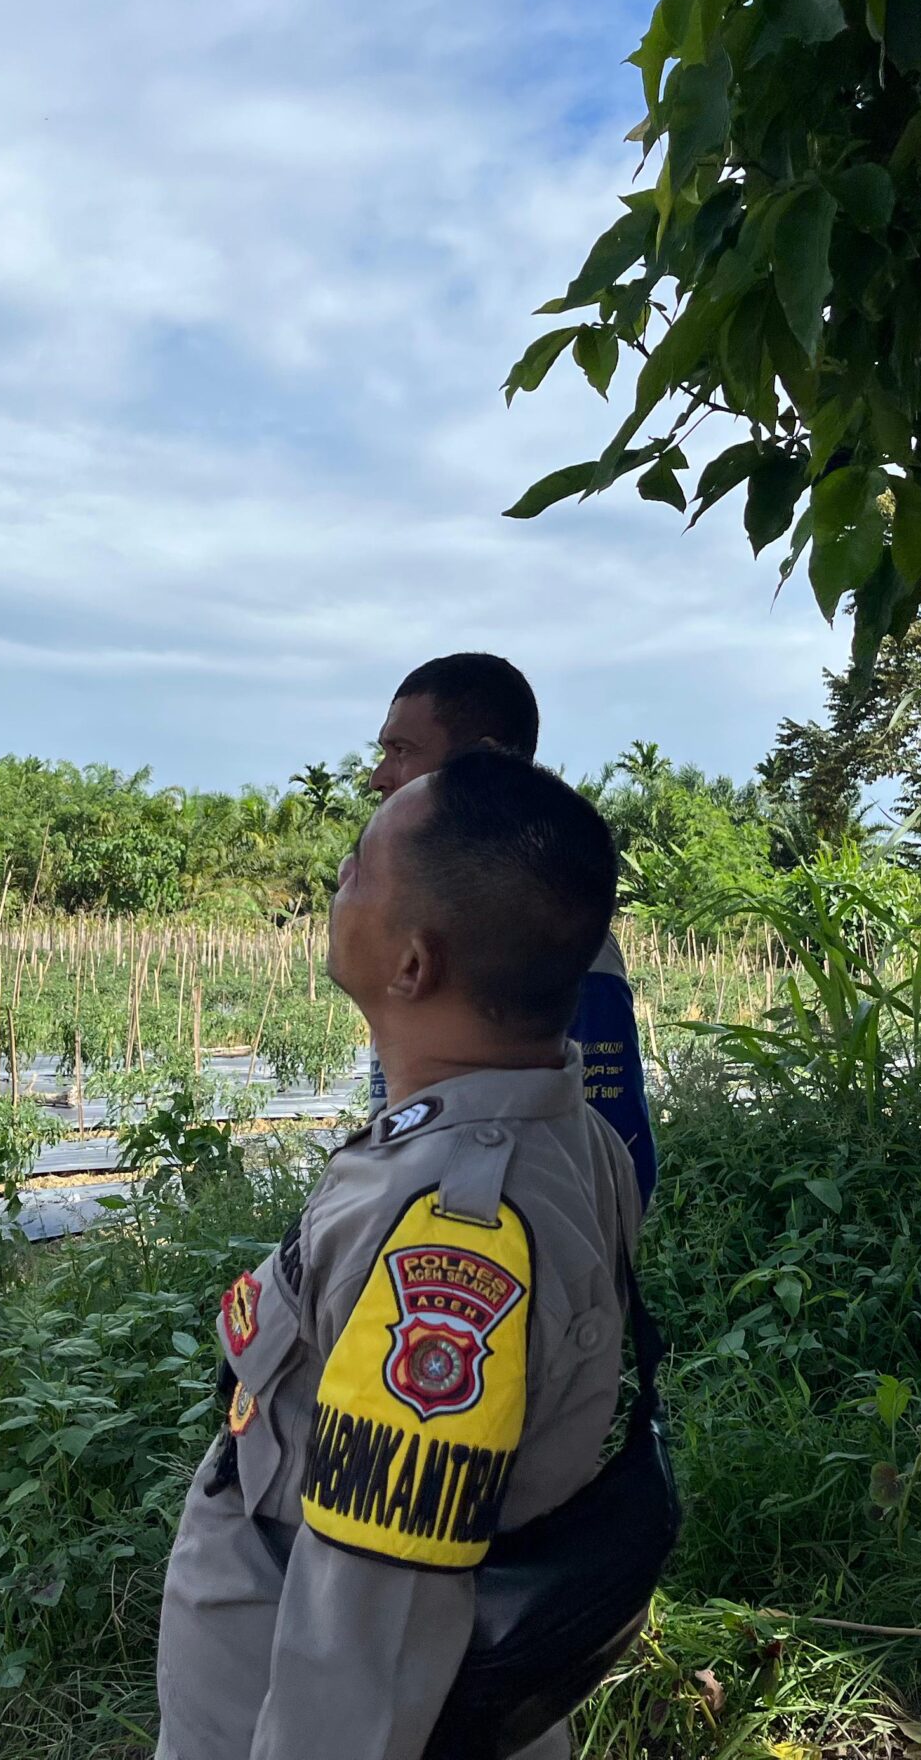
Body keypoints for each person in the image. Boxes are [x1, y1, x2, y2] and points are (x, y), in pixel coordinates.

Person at [156, 750, 642, 1760]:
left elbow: (371, 1630)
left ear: (413, 964)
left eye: (356, 872)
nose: (336, 888)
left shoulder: (452, 1233)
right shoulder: (568, 1138)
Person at [366, 653, 656, 1208]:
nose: (380, 777)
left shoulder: (563, 939)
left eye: (401, 751)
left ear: (486, 761)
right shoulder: (414, 925)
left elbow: (616, 1157)